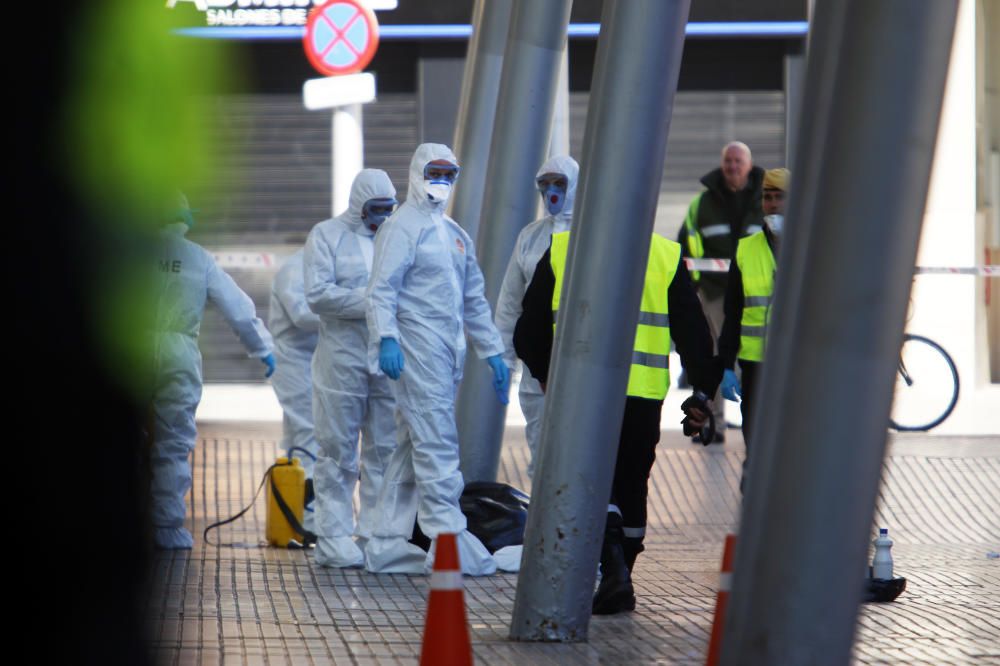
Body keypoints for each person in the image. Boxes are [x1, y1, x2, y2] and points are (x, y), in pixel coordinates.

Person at [514, 230, 719, 614]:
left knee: (591, 480)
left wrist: (545, 372)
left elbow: (528, 330)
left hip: (580, 393)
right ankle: (622, 573)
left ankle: (614, 571)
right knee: (630, 482)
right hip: (642, 395)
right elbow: (694, 333)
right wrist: (703, 392)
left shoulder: (561, 249)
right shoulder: (664, 254)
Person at [363, 143, 510, 576]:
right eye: (434, 171)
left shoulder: (454, 234)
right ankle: (448, 538)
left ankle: (385, 540)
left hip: (446, 358)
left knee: (410, 447)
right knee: (438, 443)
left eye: (449, 173)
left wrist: (494, 351)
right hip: (416, 354)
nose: (441, 181)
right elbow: (381, 291)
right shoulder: (401, 228)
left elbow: (473, 300)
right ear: (416, 172)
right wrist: (387, 338)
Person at [150, 193, 275, 549]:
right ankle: (166, 528)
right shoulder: (198, 259)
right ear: (185, 219)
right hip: (179, 354)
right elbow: (237, 308)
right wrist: (263, 347)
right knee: (172, 441)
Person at [304, 169, 400, 568]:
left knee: (384, 449)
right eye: (374, 209)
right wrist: (372, 302)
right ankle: (333, 535)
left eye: (387, 209)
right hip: (342, 361)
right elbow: (317, 294)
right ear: (359, 205)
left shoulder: (396, 238)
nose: (381, 217)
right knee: (338, 450)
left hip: (386, 357)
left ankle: (377, 532)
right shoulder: (327, 235)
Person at [494, 154, 579, 476]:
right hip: (536, 369)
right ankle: (545, 523)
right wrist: (502, 359)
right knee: (542, 453)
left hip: (579, 359)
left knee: (577, 452)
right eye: (545, 185)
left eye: (560, 184)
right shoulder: (530, 237)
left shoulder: (593, 233)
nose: (552, 192)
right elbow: (510, 304)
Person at [677, 141, 765, 442]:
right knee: (714, 356)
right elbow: (688, 242)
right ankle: (713, 421)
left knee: (754, 356)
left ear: (749, 166)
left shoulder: (765, 200)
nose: (733, 167)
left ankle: (756, 419)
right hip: (715, 293)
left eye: (739, 161)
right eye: (728, 161)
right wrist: (697, 284)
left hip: (756, 293)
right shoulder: (702, 204)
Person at [718, 167, 789, 493]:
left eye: (779, 197)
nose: (773, 204)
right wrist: (725, 365)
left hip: (794, 365)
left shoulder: (812, 249)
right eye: (768, 197)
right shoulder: (746, 249)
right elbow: (732, 312)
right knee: (755, 439)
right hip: (755, 364)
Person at [268, 248, 320, 481]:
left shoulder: (321, 269)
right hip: (293, 360)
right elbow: (301, 315)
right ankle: (309, 509)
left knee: (299, 436)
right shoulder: (294, 270)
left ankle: (295, 507)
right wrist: (344, 313)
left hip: (314, 360)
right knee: (310, 431)